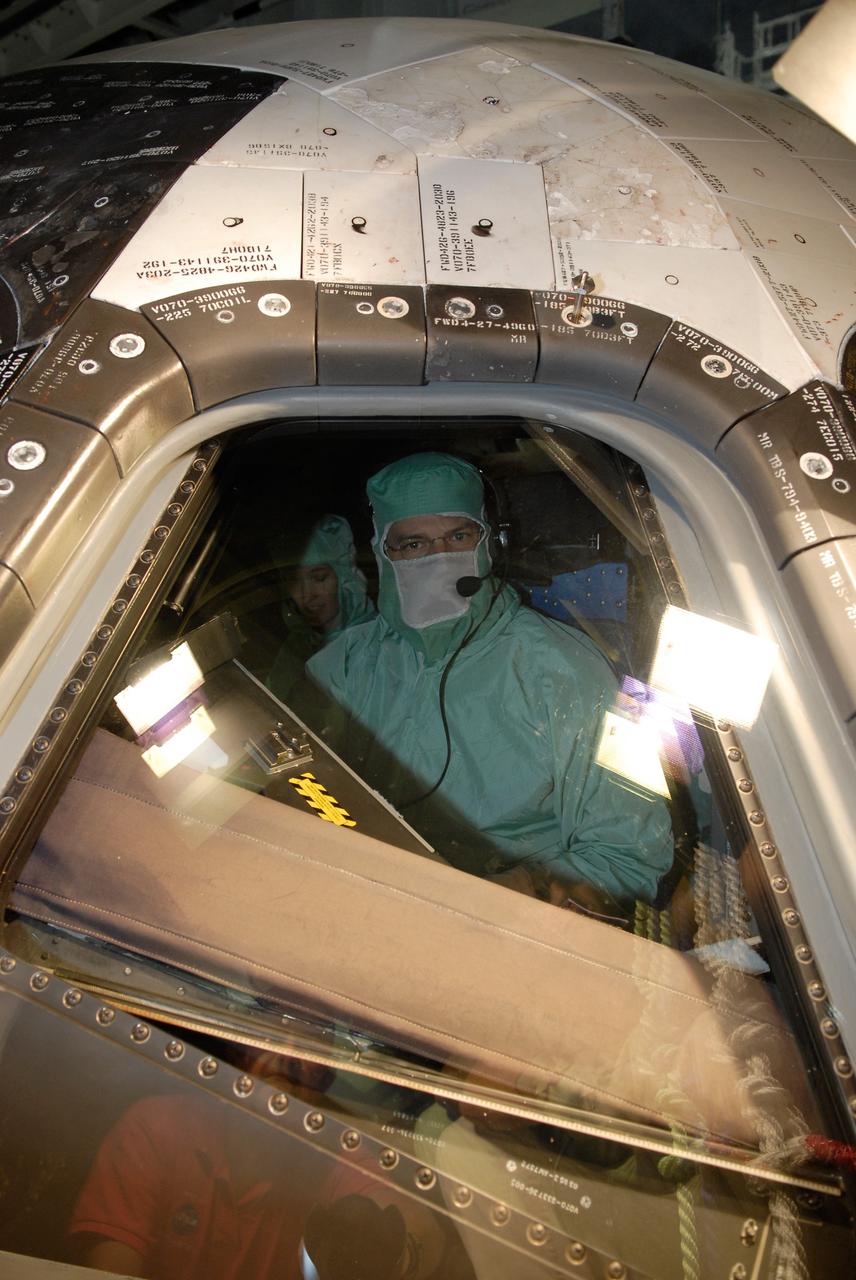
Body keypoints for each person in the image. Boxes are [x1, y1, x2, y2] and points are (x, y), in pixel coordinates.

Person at [307, 453, 673, 913]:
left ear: (490, 543)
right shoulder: (348, 663)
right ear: (383, 552)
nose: (440, 558)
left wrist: (529, 889)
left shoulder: (567, 670)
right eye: (414, 544)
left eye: (459, 537)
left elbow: (630, 854)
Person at [267, 514, 374, 707]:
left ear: (343, 576)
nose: (307, 595)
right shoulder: (298, 643)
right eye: (294, 580)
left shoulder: (375, 646)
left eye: (319, 578)